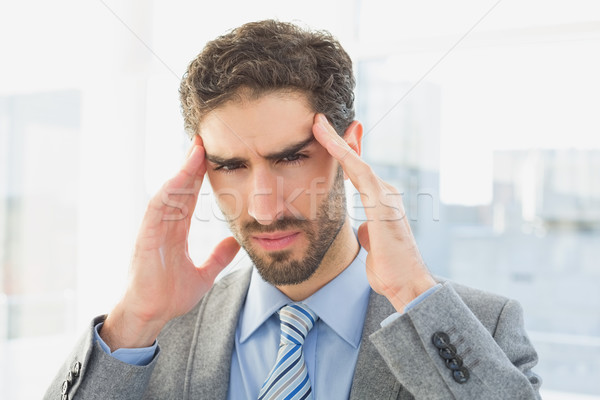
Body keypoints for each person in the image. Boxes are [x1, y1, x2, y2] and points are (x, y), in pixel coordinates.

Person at [45, 20, 541, 400]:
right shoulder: (150, 337)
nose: (263, 208)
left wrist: (411, 294)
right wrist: (133, 319)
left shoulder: (478, 330)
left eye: (291, 157)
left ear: (351, 149)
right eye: (230, 165)